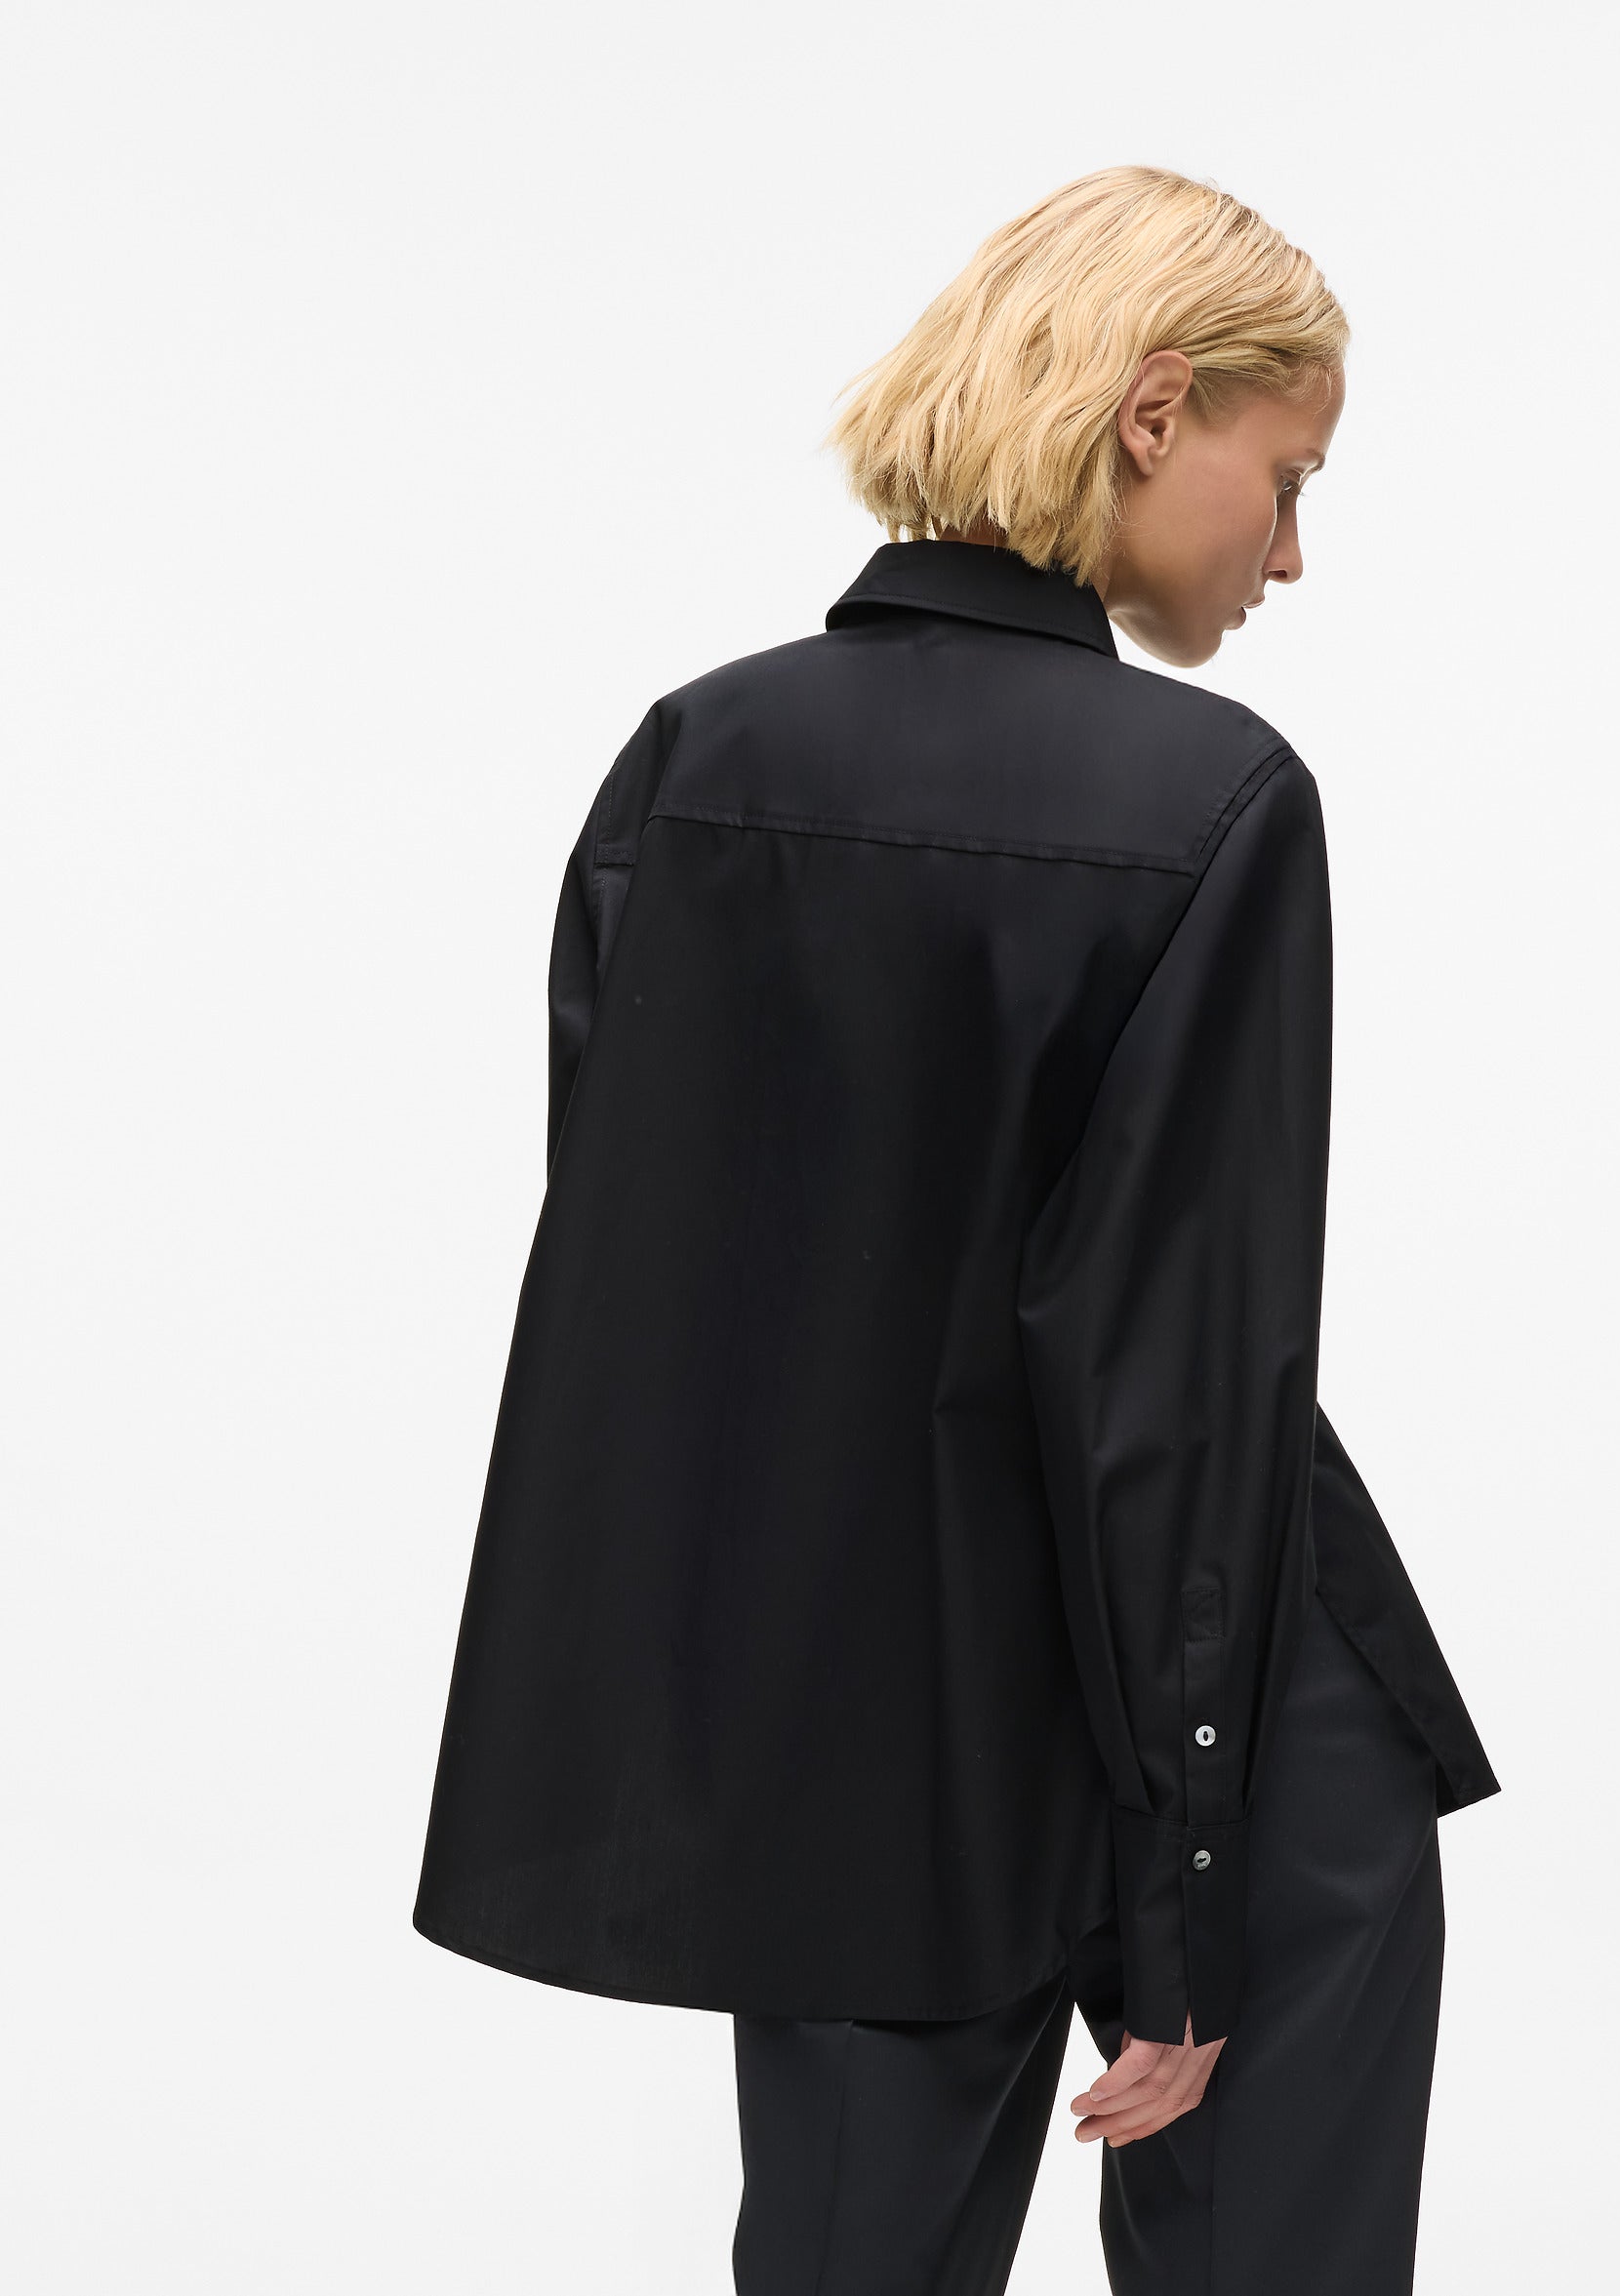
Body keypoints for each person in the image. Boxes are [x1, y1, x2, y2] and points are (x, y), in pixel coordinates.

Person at [414, 165, 1497, 2293]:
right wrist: (1186, 1896)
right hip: (1213, 1701)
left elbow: (653, 1294)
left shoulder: (692, 759)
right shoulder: (1213, 799)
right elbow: (1176, 1378)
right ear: (1153, 410)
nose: (1290, 551)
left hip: (854, 1714)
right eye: (1288, 479)